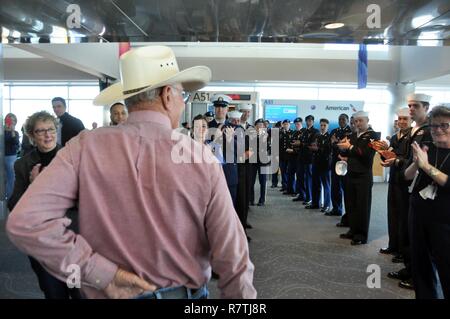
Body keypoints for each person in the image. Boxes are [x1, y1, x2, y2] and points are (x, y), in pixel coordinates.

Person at [7, 45, 256, 299]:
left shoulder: (83, 146)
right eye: (183, 95)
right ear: (167, 95)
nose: (183, 103)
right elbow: (232, 256)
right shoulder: (199, 156)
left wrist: (98, 272)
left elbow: (25, 222)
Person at [8, 111, 81, 299]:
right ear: (31, 136)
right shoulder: (23, 165)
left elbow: (86, 200)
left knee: (80, 292)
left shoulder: (73, 159)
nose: (48, 135)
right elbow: (14, 204)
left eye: (51, 129)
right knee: (53, 292)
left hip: (72, 239)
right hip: (42, 243)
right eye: (41, 131)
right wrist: (34, 186)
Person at [404, 105, 450, 299]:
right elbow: (406, 176)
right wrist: (416, 163)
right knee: (420, 268)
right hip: (419, 215)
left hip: (444, 221)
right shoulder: (427, 146)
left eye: (444, 125)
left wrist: (426, 166)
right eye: (434, 126)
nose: (438, 130)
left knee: (447, 268)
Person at [388, 93, 433, 290]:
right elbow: (409, 158)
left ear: (426, 108)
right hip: (409, 184)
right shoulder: (415, 130)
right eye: (409, 106)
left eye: (415, 106)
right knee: (408, 229)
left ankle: (418, 276)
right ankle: (409, 268)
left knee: (419, 236)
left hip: (422, 187)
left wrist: (397, 161)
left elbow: (420, 162)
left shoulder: (428, 131)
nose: (411, 109)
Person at [337, 111, 378, 245]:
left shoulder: (373, 135)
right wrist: (342, 149)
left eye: (361, 121)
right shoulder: (353, 135)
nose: (358, 123)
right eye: (356, 121)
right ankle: (353, 230)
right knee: (350, 204)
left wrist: (350, 146)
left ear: (367, 120)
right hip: (351, 173)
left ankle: (361, 235)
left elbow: (365, 154)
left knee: (362, 206)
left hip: (363, 175)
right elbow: (350, 152)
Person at [379, 107, 412, 260]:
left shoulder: (414, 137)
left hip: (406, 181)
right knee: (392, 213)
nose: (402, 122)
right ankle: (393, 245)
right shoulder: (394, 137)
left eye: (405, 119)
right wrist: (383, 153)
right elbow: (388, 156)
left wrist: (396, 161)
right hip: (393, 179)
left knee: (404, 216)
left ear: (411, 120)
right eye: (400, 119)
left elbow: (412, 161)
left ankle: (402, 250)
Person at [329, 114, 352, 218]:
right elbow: (331, 145)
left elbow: (346, 147)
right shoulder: (334, 131)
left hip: (345, 162)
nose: (341, 121)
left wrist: (336, 142)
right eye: (339, 119)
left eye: (343, 119)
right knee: (335, 187)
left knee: (346, 188)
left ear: (347, 120)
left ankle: (348, 214)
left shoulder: (350, 131)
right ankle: (336, 209)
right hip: (335, 162)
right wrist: (338, 144)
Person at [309, 119, 332, 213]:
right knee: (315, 184)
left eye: (324, 125)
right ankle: (315, 203)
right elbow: (313, 146)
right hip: (315, 163)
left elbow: (329, 150)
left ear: (328, 126)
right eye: (321, 125)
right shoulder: (317, 136)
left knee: (326, 185)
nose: (322, 127)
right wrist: (313, 148)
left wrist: (318, 149)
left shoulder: (330, 137)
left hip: (325, 164)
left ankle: (326, 205)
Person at [249, 118, 270, 206]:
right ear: (255, 126)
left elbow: (270, 147)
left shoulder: (267, 135)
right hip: (253, 161)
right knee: (251, 181)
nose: (260, 127)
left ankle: (262, 200)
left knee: (263, 181)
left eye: (261, 125)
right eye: (258, 125)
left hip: (263, 161)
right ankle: (251, 200)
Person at [301, 115, 320, 206]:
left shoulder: (315, 131)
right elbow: (303, 142)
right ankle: (304, 196)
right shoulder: (304, 131)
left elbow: (312, 144)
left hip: (310, 158)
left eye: (310, 120)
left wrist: (302, 144)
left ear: (313, 121)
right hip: (303, 158)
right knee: (303, 178)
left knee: (309, 179)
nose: (309, 122)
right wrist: (303, 144)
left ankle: (309, 198)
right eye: (307, 120)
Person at [4, 113, 20, 200]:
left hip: (11, 157)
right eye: (9, 120)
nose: (11, 122)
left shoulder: (16, 133)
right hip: (2, 156)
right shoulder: (2, 132)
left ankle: (10, 197)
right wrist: (5, 129)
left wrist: (12, 131)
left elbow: (15, 143)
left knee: (11, 178)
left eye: (13, 120)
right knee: (3, 177)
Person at [290, 117, 306, 202]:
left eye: (298, 123)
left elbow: (302, 144)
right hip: (295, 157)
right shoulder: (295, 133)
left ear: (301, 123)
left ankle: (303, 194)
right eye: (296, 123)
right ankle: (299, 193)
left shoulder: (304, 132)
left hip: (301, 157)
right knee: (298, 177)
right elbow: (292, 143)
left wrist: (296, 147)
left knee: (302, 177)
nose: (297, 125)